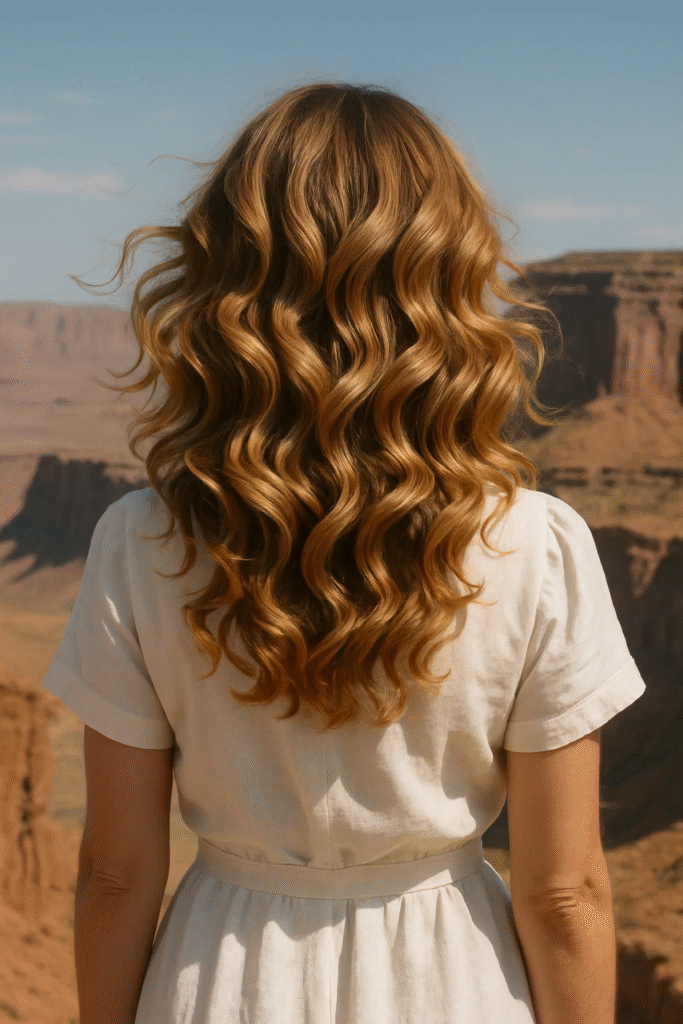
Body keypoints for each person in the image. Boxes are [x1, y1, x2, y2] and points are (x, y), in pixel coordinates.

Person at [39, 81, 646, 1024]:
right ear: (446, 275)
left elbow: (115, 875)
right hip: (453, 984)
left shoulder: (141, 539)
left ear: (228, 274)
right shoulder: (536, 545)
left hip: (219, 979)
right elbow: (563, 892)